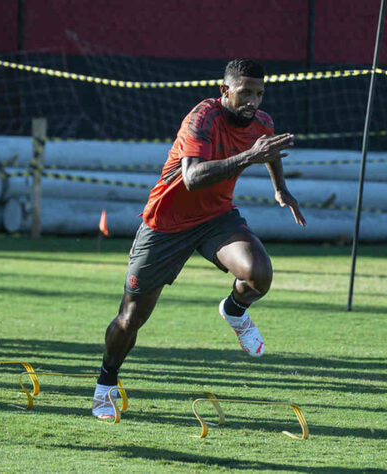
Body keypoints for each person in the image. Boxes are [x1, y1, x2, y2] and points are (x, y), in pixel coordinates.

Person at [91, 59, 307, 419]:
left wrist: (280, 189)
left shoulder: (261, 121)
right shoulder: (202, 117)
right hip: (166, 223)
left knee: (260, 274)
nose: (253, 100)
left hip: (215, 218)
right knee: (130, 318)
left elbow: (266, 148)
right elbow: (192, 177)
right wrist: (248, 156)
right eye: (245, 93)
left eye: (259, 93)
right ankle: (105, 385)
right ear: (225, 91)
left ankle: (234, 311)